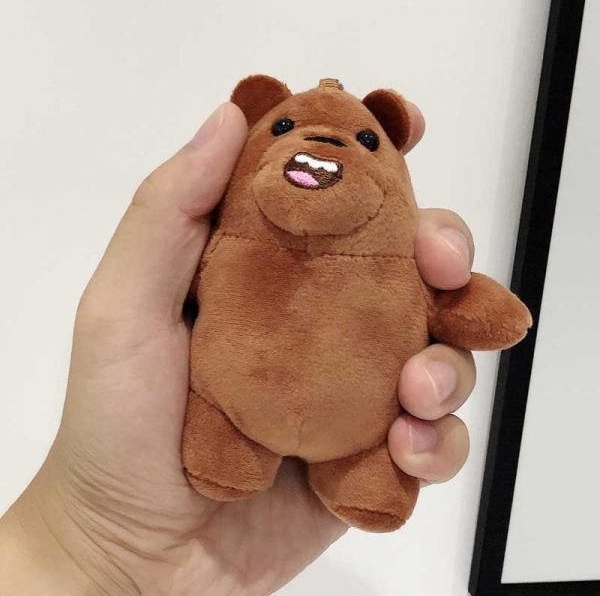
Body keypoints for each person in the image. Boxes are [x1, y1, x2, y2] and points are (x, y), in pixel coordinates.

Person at [0, 100, 477, 595]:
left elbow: (469, 311)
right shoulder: (224, 249)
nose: (325, 142)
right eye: (285, 126)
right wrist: (90, 545)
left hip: (359, 437)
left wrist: (471, 306)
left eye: (368, 141)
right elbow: (174, 287)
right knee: (220, 452)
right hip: (229, 420)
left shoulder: (397, 265)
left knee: (396, 446)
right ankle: (234, 449)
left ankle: (357, 470)